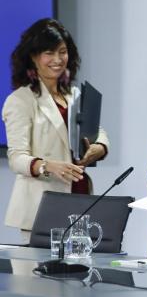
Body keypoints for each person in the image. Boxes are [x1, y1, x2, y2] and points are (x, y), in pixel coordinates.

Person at [2, 18, 109, 241]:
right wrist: (47, 165)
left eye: (63, 52)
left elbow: (96, 129)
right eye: (49, 53)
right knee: (41, 266)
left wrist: (100, 147)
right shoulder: (20, 100)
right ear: (33, 57)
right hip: (42, 204)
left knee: (80, 262)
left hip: (79, 195)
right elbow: (16, 158)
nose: (58, 60)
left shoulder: (73, 94)